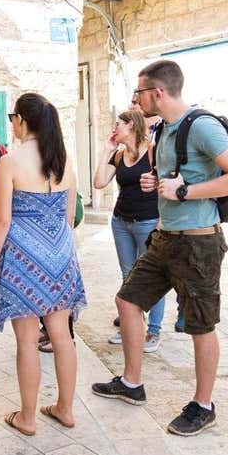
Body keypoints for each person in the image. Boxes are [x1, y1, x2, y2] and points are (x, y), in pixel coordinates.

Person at [92, 60, 228, 436]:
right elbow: (179, 174)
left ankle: (203, 405)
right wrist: (157, 182)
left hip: (199, 243)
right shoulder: (163, 129)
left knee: (200, 324)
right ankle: (132, 384)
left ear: (158, 93)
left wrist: (185, 191)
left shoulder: (202, 126)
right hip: (164, 239)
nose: (136, 100)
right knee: (127, 301)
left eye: (140, 93)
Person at [0, 93, 86, 436]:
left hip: (23, 258)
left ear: (22, 121)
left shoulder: (9, 162)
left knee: (27, 341)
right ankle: (65, 409)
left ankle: (28, 417)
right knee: (61, 335)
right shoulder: (65, 159)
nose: (11, 122)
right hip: (61, 256)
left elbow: (2, 220)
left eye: (13, 116)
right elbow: (70, 217)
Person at [93, 109, 163, 352]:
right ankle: (132, 327)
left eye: (118, 124)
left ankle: (153, 331)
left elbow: (164, 184)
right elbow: (99, 182)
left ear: (131, 125)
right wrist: (105, 151)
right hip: (121, 221)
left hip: (147, 221)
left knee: (152, 277)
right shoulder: (119, 155)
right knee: (128, 274)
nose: (114, 129)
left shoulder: (152, 150)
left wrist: (161, 220)